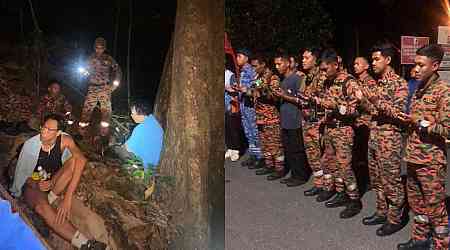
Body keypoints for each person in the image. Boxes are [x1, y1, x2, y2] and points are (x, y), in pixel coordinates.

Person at [10, 114, 106, 249]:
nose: (44, 131)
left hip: (52, 181)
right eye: (43, 127)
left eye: (50, 130)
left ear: (58, 133)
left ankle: (49, 199)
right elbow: (23, 177)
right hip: (32, 184)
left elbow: (81, 160)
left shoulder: (65, 140)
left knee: (74, 160)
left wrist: (67, 199)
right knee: (41, 206)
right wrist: (37, 184)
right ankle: (86, 244)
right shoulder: (31, 147)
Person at [396, 44, 449, 250]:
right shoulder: (419, 88)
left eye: (421, 65)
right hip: (413, 157)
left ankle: (441, 245)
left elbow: (447, 129)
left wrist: (418, 122)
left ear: (434, 65)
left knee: (435, 208)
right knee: (417, 205)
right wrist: (408, 120)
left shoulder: (444, 92)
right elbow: (418, 120)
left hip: (431, 162)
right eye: (415, 64)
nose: (416, 69)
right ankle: (420, 240)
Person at [361, 42, 409, 236]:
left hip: (390, 140)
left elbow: (399, 114)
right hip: (374, 137)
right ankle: (382, 211)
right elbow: (373, 110)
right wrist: (363, 100)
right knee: (377, 180)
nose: (373, 63)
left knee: (392, 181)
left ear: (388, 60)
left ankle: (395, 218)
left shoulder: (400, 84)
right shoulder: (378, 82)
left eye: (376, 59)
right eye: (372, 59)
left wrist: (374, 100)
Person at [312, 49, 362, 218]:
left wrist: (336, 107)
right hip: (330, 128)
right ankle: (341, 193)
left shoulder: (349, 82)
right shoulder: (328, 82)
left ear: (335, 65)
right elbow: (325, 101)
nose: (323, 73)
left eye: (326, 69)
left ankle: (354, 200)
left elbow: (356, 111)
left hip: (343, 130)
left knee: (345, 167)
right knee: (330, 161)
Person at [273, 53, 310, 187]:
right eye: (276, 64)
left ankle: (301, 176)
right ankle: (294, 174)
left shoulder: (297, 78)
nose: (277, 67)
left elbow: (302, 100)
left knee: (297, 149)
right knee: (289, 149)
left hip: (295, 120)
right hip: (285, 120)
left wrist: (285, 96)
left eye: (279, 64)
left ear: (288, 63)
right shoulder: (283, 79)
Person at [78, 37, 122, 146]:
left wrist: (114, 86)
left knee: (106, 112)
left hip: (104, 88)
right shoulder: (89, 59)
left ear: (104, 48)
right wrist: (84, 74)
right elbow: (83, 71)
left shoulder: (109, 59)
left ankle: (103, 136)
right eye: (97, 48)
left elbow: (118, 71)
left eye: (101, 48)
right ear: (94, 48)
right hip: (92, 87)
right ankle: (82, 133)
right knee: (86, 110)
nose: (99, 50)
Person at [299, 47, 327, 196]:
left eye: (306, 58)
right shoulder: (306, 77)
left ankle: (328, 186)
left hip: (317, 121)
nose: (303, 60)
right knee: (312, 154)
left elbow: (325, 100)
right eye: (302, 57)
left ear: (315, 60)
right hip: (307, 120)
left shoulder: (321, 77)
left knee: (322, 154)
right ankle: (318, 183)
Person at [114, 99, 164, 171]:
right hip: (153, 164)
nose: (131, 116)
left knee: (116, 149)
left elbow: (128, 148)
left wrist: (120, 146)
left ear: (140, 113)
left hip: (145, 166)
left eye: (133, 113)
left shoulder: (140, 128)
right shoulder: (153, 121)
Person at [234, 49, 264, 168]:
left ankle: (260, 157)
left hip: (250, 106)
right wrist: (239, 88)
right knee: (248, 131)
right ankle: (253, 155)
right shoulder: (242, 71)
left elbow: (259, 83)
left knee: (255, 131)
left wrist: (248, 89)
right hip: (243, 105)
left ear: (246, 58)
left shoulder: (251, 70)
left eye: (240, 56)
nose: (237, 58)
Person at [352, 57, 376, 193]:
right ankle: (362, 179)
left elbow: (372, 105)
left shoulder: (370, 82)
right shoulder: (356, 82)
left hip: (365, 123)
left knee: (364, 155)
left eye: (358, 64)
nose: (355, 66)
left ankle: (367, 181)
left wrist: (360, 101)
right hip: (357, 122)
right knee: (358, 154)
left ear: (366, 66)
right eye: (354, 63)